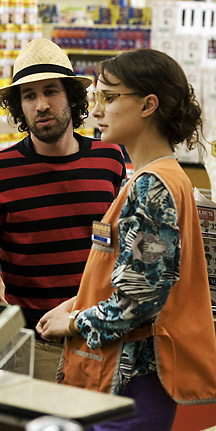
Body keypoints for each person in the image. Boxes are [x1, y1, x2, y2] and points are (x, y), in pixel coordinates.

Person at [36, 48, 216, 429]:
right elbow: (130, 275)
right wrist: (73, 304)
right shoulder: (158, 176)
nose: (97, 110)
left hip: (133, 385)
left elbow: (139, 302)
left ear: (148, 104)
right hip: (127, 383)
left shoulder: (152, 187)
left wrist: (72, 323)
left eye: (110, 97)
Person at [0, 38, 126, 381]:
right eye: (29, 96)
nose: (41, 105)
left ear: (72, 97)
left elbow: (116, 242)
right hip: (34, 343)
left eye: (51, 91)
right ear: (19, 107)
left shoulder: (109, 159)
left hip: (99, 338)